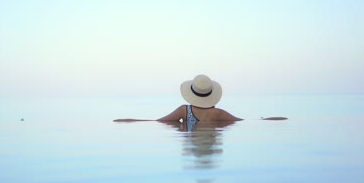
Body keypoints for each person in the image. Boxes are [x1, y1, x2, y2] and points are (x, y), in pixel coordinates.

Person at [114, 74, 287, 123]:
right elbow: (248, 121)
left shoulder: (184, 110)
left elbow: (155, 121)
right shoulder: (219, 113)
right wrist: (273, 118)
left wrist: (126, 120)